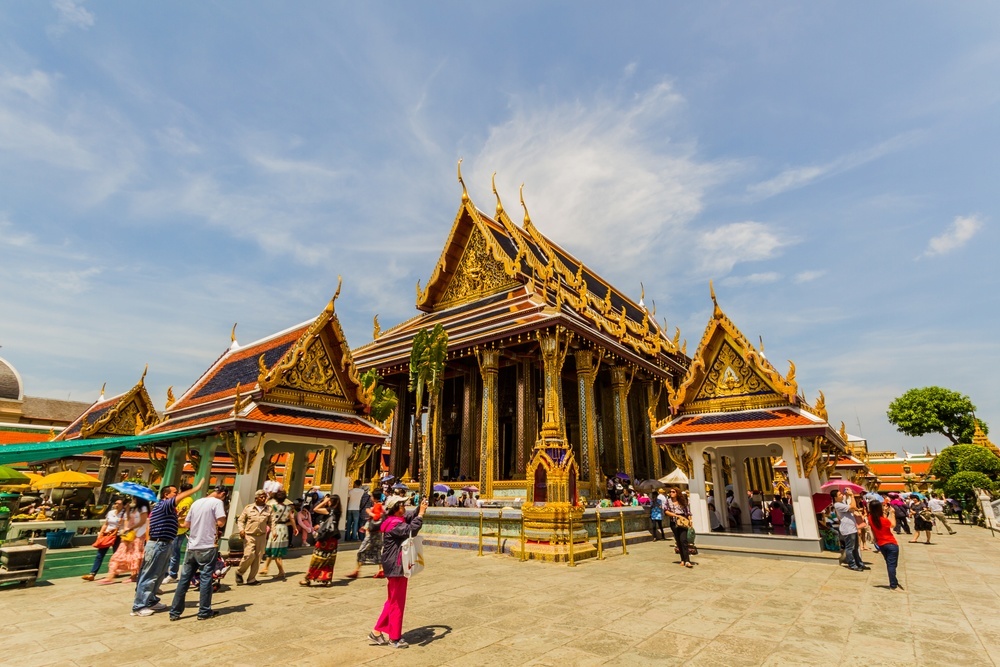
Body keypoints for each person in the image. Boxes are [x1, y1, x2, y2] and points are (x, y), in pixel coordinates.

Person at [132, 479, 205, 616]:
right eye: (174, 493)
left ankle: (151, 600)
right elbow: (180, 498)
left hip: (165, 544)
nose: (177, 495)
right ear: (166, 495)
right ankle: (139, 606)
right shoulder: (164, 505)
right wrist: (197, 488)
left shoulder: (168, 510)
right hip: (158, 544)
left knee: (158, 575)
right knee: (150, 575)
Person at [369, 495, 428, 649]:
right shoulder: (394, 525)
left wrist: (420, 507)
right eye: (402, 505)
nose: (404, 508)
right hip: (396, 565)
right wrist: (421, 515)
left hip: (395, 564)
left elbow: (410, 516)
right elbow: (411, 530)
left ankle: (376, 632)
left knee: (392, 600)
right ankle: (394, 638)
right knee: (397, 602)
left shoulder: (394, 520)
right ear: (396, 508)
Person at [169, 485, 227, 621]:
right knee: (206, 579)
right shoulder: (217, 503)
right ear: (222, 494)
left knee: (184, 580)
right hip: (207, 545)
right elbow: (221, 522)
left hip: (192, 546)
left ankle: (175, 612)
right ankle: (204, 611)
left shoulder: (196, 503)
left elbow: (187, 524)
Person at [99, 498, 149, 584]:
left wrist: (131, 528)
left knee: (135, 554)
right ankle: (110, 576)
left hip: (138, 534)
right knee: (119, 553)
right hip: (129, 534)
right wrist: (127, 509)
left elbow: (143, 521)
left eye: (134, 497)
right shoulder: (133, 508)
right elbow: (128, 519)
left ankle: (134, 575)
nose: (133, 499)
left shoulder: (143, 508)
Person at [301, 494, 342, 586]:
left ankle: (308, 578)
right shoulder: (338, 511)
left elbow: (315, 509)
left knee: (317, 558)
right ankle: (327, 578)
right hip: (333, 538)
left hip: (325, 538)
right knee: (329, 559)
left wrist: (324, 501)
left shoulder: (329, 510)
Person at [235, 489, 271, 586]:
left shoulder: (269, 509)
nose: (264, 499)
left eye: (265, 497)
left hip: (262, 536)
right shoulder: (248, 508)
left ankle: (251, 579)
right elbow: (240, 520)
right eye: (261, 497)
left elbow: (272, 522)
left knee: (258, 558)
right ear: (256, 498)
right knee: (249, 555)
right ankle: (239, 572)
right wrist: (241, 530)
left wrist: (274, 532)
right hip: (249, 535)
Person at [83, 498, 125, 581]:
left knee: (116, 555)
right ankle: (92, 573)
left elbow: (127, 525)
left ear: (123, 506)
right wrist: (101, 533)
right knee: (100, 554)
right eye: (116, 503)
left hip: (118, 535)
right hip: (107, 535)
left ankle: (115, 571)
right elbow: (106, 524)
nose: (116, 505)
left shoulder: (125, 514)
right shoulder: (110, 513)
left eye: (119, 504)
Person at [261, 489, 299, 580]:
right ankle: (265, 567)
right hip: (284, 528)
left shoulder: (273, 506)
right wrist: (295, 528)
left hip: (275, 528)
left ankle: (281, 571)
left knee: (275, 551)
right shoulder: (288, 508)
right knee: (273, 549)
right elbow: (292, 518)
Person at [346, 492, 385, 579]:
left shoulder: (377, 505)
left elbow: (376, 517)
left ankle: (357, 570)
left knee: (361, 551)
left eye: (371, 496)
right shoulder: (379, 505)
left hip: (373, 534)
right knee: (377, 551)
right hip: (378, 533)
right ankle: (381, 570)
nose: (370, 497)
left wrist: (369, 512)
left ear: (374, 497)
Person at [868, 500, 902, 590]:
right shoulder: (883, 520)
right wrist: (893, 514)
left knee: (890, 563)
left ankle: (894, 580)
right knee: (892, 565)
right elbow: (893, 525)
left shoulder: (870, 518)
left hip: (881, 544)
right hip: (891, 543)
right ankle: (893, 584)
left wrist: (886, 513)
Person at [164, 482, 194, 583]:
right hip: (175, 529)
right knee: (171, 552)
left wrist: (175, 518)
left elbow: (185, 515)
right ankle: (167, 573)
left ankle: (172, 574)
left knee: (173, 553)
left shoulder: (186, 500)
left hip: (178, 529)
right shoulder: (184, 500)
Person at [832, 489, 863, 571]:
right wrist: (852, 496)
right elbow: (852, 506)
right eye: (839, 495)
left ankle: (859, 563)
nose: (842, 495)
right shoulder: (837, 505)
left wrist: (849, 496)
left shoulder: (843, 503)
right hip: (848, 529)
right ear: (835, 498)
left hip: (853, 528)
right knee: (850, 548)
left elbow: (853, 508)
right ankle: (852, 564)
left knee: (856, 548)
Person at [663, 487, 693, 568]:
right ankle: (682, 559)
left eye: (673, 492)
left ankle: (687, 560)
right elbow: (666, 511)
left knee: (684, 540)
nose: (671, 493)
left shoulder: (682, 501)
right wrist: (676, 515)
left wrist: (690, 520)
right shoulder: (668, 501)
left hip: (683, 521)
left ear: (677, 493)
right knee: (678, 541)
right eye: (670, 491)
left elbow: (688, 512)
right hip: (674, 522)